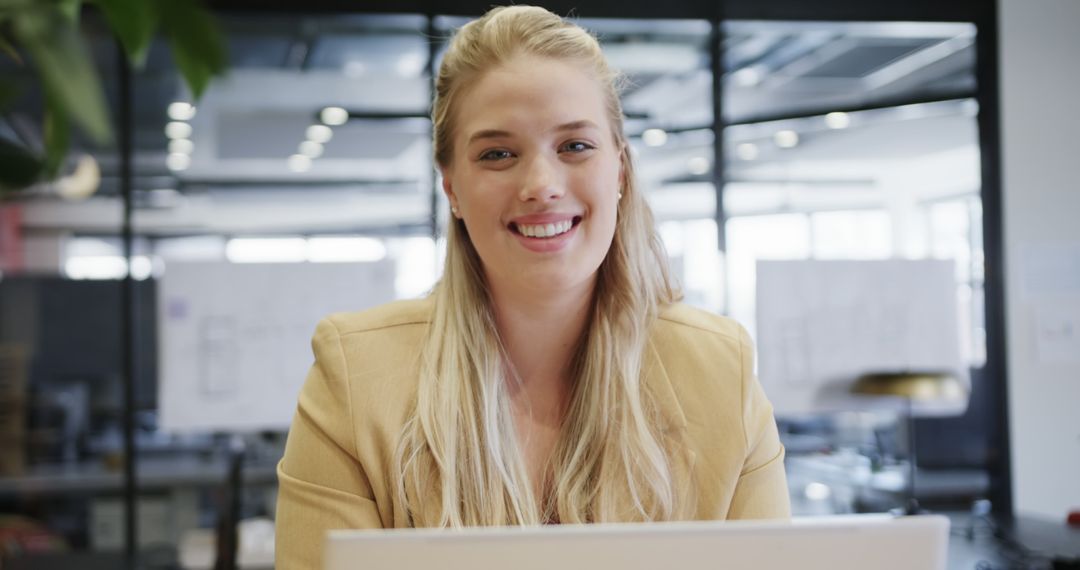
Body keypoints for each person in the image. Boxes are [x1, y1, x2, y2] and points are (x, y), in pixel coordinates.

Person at [275, 5, 789, 568]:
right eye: (497, 154)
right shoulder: (354, 377)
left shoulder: (722, 370)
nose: (542, 186)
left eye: (575, 146)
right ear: (451, 188)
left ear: (619, 169)